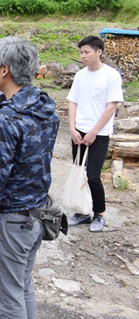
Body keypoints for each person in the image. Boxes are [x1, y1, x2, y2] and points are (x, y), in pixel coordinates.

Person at [0, 37, 60, 319]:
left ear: (5, 70)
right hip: (36, 213)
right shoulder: (46, 108)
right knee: (22, 284)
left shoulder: (8, 118)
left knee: (7, 295)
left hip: (11, 219)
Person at [67, 35, 124, 232]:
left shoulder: (111, 75)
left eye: (86, 52)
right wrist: (72, 128)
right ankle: (82, 212)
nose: (83, 56)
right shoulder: (81, 76)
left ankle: (98, 214)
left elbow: (111, 107)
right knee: (79, 173)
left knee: (93, 175)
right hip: (79, 132)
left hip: (98, 133)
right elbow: (72, 102)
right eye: (81, 52)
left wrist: (94, 132)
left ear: (99, 52)